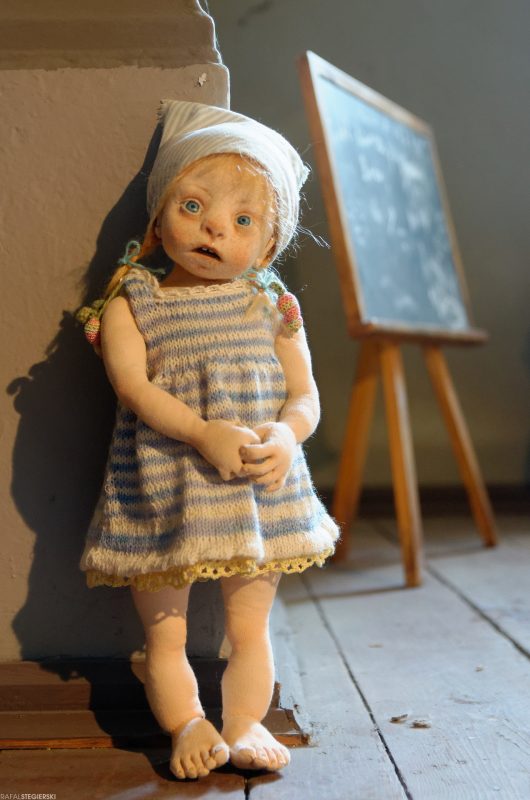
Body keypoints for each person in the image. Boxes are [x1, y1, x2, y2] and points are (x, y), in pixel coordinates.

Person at [78, 100, 340, 780]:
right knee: (165, 634)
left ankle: (245, 720)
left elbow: (305, 395)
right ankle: (186, 722)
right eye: (193, 207)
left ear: (269, 245)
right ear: (158, 217)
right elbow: (133, 388)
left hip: (257, 491)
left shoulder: (272, 305)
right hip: (165, 488)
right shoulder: (134, 301)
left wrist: (286, 434)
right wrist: (200, 432)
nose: (215, 228)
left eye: (243, 221)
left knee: (249, 629)